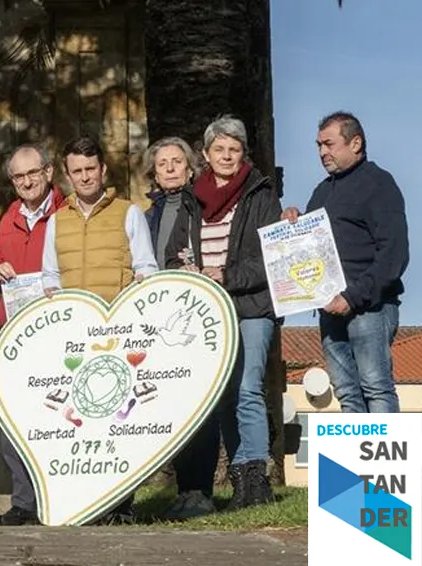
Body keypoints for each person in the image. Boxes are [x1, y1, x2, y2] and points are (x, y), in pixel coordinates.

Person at [164, 116, 282, 509]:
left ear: (242, 153)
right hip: (210, 313)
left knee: (249, 389)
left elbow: (270, 256)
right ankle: (240, 485)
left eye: (234, 149)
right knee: (226, 396)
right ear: (206, 154)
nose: (227, 155)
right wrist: (183, 269)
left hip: (251, 307)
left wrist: (225, 274)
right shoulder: (191, 199)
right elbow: (175, 250)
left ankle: (257, 482)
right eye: (219, 149)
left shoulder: (261, 193)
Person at [40, 135, 157, 524]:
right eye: (78, 171)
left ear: (103, 171)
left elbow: (146, 270)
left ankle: (121, 505)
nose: (85, 176)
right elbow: (50, 278)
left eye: (91, 169)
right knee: (80, 422)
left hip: (119, 336)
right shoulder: (56, 221)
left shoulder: (129, 213)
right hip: (75, 340)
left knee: (121, 422)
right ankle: (87, 503)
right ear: (67, 176)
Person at [282, 111, 408, 414]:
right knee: (347, 394)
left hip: (369, 308)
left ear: (355, 143)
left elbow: (394, 254)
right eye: (318, 145)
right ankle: (358, 462)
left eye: (329, 144)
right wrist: (293, 221)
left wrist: (352, 297)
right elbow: (308, 246)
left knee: (375, 388)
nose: (322, 152)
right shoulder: (322, 190)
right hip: (329, 310)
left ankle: (387, 461)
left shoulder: (379, 183)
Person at [0, 143, 64, 526]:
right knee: (12, 418)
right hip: (15, 335)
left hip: (59, 334)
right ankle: (24, 502)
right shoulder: (9, 218)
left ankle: (60, 498)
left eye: (33, 173)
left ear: (49, 172)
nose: (27, 181)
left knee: (59, 417)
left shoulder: (67, 213)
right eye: (19, 176)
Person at [142, 136, 218, 520]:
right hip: (160, 319)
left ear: (190, 168)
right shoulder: (147, 213)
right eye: (162, 163)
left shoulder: (202, 206)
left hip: (194, 313)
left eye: (177, 161)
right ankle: (183, 490)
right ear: (153, 172)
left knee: (200, 407)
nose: (170, 168)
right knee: (173, 408)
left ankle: (200, 490)